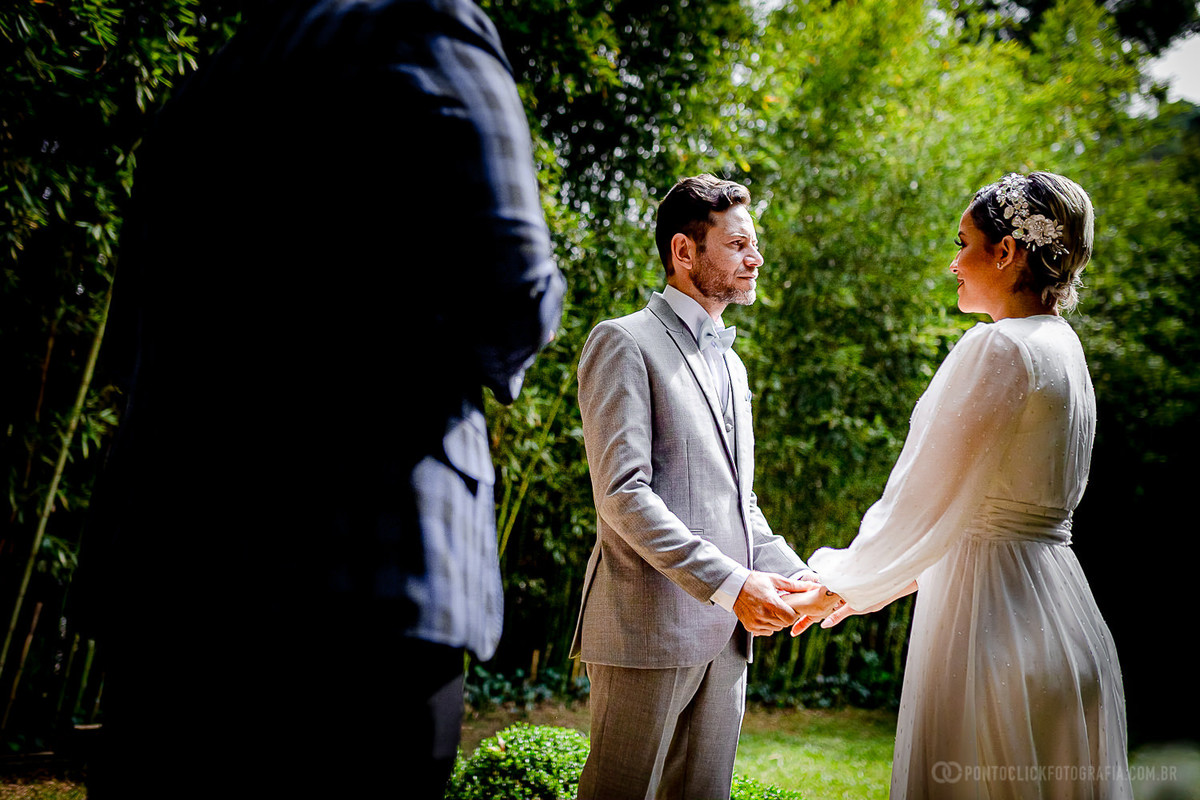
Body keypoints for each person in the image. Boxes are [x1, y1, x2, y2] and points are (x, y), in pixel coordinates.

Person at [77, 0, 564, 797]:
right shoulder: (425, 19)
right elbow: (512, 286)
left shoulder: (207, 85)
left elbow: (132, 339)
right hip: (364, 576)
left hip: (164, 580)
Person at [794, 172, 1132, 799]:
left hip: (991, 626)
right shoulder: (1064, 347)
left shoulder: (999, 347)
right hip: (1064, 616)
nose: (954, 262)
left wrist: (838, 582)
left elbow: (924, 501)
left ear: (1007, 253)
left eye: (964, 242)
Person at [570, 174, 838, 800]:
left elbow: (738, 506)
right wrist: (733, 584)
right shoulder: (622, 341)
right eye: (739, 243)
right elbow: (623, 495)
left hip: (728, 642)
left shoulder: (732, 361)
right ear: (684, 252)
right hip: (647, 629)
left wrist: (808, 582)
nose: (757, 258)